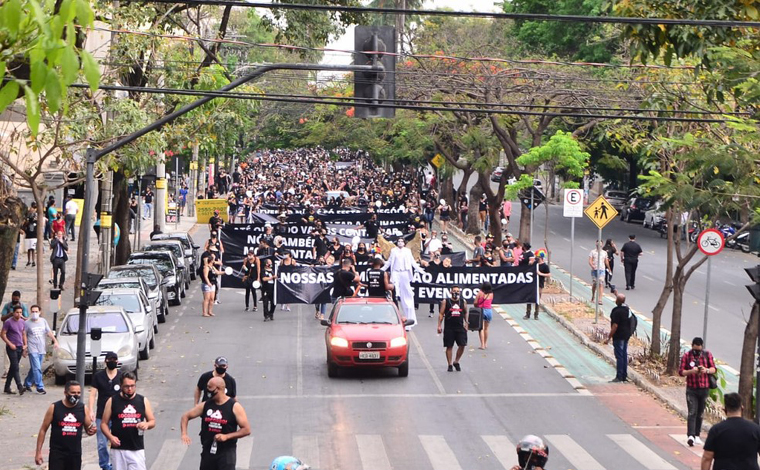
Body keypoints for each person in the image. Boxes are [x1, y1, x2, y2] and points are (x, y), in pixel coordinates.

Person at [181, 377, 251, 470]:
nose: (207, 390)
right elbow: (185, 416)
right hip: (208, 451)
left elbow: (246, 430)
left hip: (226, 453)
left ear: (218, 389)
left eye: (209, 387)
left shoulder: (234, 406)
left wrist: (226, 436)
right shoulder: (206, 405)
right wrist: (184, 434)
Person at [34, 380, 97, 469]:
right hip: (57, 454)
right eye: (73, 392)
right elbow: (43, 429)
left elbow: (89, 428)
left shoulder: (83, 408)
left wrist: (92, 430)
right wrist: (38, 452)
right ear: (65, 393)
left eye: (78, 393)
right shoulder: (55, 407)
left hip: (75, 454)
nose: (76, 395)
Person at [101, 372, 156, 470]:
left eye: (132, 386)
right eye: (126, 386)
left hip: (136, 449)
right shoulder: (112, 401)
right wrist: (110, 437)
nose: (130, 389)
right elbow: (104, 424)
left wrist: (146, 424)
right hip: (118, 450)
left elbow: (152, 421)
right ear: (121, 386)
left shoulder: (143, 400)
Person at [701, 392, 760, 470]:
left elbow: (707, 458)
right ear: (742, 408)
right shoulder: (755, 429)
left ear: (725, 409)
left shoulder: (716, 430)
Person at [679, 337, 716, 447]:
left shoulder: (707, 354)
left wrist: (707, 370)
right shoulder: (687, 356)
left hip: (704, 388)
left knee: (700, 412)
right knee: (692, 412)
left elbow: (714, 368)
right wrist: (691, 371)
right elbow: (681, 372)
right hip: (692, 388)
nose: (697, 353)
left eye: (699, 350)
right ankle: (691, 435)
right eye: (695, 350)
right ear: (692, 346)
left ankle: (697, 434)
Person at [89, 352, 122, 470]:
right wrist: (91, 410)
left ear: (117, 361)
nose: (112, 361)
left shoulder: (121, 376)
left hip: (118, 415)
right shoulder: (98, 376)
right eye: (110, 359)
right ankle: (105, 465)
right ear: (105, 361)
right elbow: (92, 394)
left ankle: (116, 465)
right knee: (102, 444)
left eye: (114, 359)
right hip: (102, 415)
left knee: (117, 442)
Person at [382, 238, 424, 329]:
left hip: (405, 272)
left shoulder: (407, 251)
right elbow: (389, 262)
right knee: (395, 293)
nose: (400, 243)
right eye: (398, 241)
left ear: (404, 243)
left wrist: (420, 270)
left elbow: (412, 262)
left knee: (407, 295)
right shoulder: (393, 251)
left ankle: (409, 320)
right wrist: (381, 270)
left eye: (401, 241)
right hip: (396, 272)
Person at [23, 304, 57, 394]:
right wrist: (25, 346)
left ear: (40, 312)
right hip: (32, 347)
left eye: (36, 311)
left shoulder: (43, 321)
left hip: (41, 348)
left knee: (35, 368)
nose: (34, 313)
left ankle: (27, 382)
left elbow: (48, 332)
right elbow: (24, 334)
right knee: (37, 368)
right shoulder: (27, 323)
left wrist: (55, 341)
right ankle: (39, 386)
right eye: (33, 311)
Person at [604, 294, 635, 383]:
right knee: (624, 355)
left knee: (619, 356)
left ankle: (619, 376)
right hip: (626, 335)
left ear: (616, 301)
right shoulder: (627, 310)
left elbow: (615, 326)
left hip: (619, 336)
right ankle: (624, 375)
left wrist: (609, 337)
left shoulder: (616, 312)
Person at [438, 286, 468, 372]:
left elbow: (465, 312)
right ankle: (450, 364)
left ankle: (456, 361)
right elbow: (441, 314)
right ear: (451, 292)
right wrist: (439, 325)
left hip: (460, 327)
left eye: (458, 291)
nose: (456, 293)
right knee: (449, 346)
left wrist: (466, 323)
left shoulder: (463, 301)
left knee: (462, 345)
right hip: (449, 328)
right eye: (454, 291)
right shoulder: (446, 301)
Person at [2, 306, 27, 394]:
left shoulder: (22, 322)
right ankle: (20, 386)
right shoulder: (8, 322)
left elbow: (23, 333)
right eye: (17, 312)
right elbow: (3, 334)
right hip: (11, 347)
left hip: (20, 346)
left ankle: (7, 387)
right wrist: (10, 343)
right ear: (13, 312)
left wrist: (25, 344)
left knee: (13, 367)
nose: (19, 314)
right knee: (15, 367)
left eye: (20, 312)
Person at [202, 247, 224, 318]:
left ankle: (210, 311)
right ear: (211, 261)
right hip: (207, 284)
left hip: (213, 283)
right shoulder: (206, 267)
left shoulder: (213, 267)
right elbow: (205, 276)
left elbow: (218, 272)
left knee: (212, 298)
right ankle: (204, 312)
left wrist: (225, 272)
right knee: (207, 298)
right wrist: (208, 283)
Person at [588, 240, 608, 305]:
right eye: (598, 244)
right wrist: (592, 265)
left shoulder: (604, 253)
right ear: (596, 244)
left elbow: (606, 261)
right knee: (595, 284)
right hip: (594, 270)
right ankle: (593, 296)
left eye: (600, 244)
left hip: (602, 269)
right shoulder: (592, 252)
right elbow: (590, 260)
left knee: (601, 283)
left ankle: (600, 299)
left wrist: (609, 268)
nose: (599, 245)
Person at [474, 282, 493, 350]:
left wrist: (476, 306)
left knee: (481, 328)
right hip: (489, 311)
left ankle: (482, 345)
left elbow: (475, 302)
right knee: (486, 328)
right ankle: (485, 343)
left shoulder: (480, 293)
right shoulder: (491, 294)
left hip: (481, 310)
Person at [23, 202, 38, 267]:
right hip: (28, 236)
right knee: (29, 249)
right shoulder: (27, 222)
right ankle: (29, 260)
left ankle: (33, 261)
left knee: (33, 249)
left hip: (34, 236)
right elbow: (24, 225)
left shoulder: (36, 221)